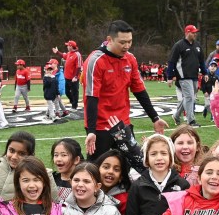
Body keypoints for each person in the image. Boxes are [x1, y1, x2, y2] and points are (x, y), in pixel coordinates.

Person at [82, 20, 168, 160]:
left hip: (123, 123)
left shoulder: (130, 59)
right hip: (100, 126)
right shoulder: (95, 61)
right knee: (97, 167)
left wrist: (155, 117)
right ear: (109, 40)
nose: (127, 46)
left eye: (130, 42)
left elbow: (139, 90)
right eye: (122, 42)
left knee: (133, 165)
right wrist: (91, 131)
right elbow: (91, 97)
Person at [167, 24, 207, 127]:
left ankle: (176, 115)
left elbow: (201, 61)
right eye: (193, 32)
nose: (195, 34)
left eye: (195, 32)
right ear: (187, 32)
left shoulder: (197, 45)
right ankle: (191, 121)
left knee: (189, 97)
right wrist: (170, 77)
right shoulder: (179, 45)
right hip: (183, 76)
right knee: (190, 98)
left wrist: (205, 72)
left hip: (194, 76)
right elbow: (172, 61)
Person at [95, 149, 132, 215]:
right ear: (96, 170)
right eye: (106, 167)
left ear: (121, 177)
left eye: (116, 169)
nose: (111, 171)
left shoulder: (124, 200)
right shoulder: (88, 191)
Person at [52, 40, 82, 110]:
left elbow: (79, 66)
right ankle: (72, 102)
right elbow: (63, 55)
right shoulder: (69, 53)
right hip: (67, 77)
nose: (67, 47)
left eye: (68, 45)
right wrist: (57, 52)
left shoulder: (77, 55)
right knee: (67, 92)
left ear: (71, 46)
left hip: (73, 78)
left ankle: (74, 106)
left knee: (75, 92)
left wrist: (75, 76)